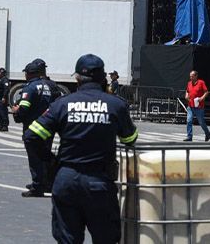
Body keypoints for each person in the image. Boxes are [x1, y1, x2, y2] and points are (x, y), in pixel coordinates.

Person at [29, 54, 137, 243]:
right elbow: (130, 138)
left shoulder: (62, 104)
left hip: (66, 179)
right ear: (103, 78)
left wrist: (50, 160)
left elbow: (32, 136)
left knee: (68, 239)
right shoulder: (115, 105)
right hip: (99, 183)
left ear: (77, 78)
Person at [14, 58, 59, 197]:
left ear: (30, 74)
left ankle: (37, 186)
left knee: (35, 158)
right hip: (49, 127)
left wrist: (16, 111)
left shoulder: (30, 87)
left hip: (33, 128)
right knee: (46, 155)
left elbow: (24, 109)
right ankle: (48, 183)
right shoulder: (52, 86)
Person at [184, 70, 210, 142]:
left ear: (196, 76)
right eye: (190, 76)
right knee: (189, 120)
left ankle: (207, 133)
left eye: (192, 76)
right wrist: (186, 96)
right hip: (190, 106)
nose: (190, 78)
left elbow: (206, 92)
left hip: (199, 106)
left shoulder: (201, 82)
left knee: (201, 122)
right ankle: (189, 136)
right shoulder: (189, 83)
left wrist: (202, 98)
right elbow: (187, 91)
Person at [0, 68, 12, 132]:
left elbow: (6, 89)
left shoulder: (5, 80)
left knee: (3, 112)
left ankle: (5, 126)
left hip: (2, 98)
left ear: (2, 73)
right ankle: (1, 125)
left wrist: (4, 97)